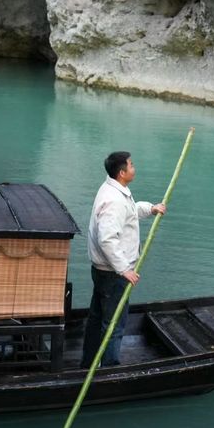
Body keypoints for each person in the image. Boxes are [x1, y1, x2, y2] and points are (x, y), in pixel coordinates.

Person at [80, 151, 166, 369]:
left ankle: (88, 364)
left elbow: (130, 212)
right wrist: (124, 270)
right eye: (131, 165)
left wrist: (151, 209)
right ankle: (109, 370)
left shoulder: (114, 190)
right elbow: (107, 239)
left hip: (104, 270)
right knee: (114, 324)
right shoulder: (113, 200)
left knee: (98, 319)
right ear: (121, 172)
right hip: (112, 273)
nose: (134, 168)